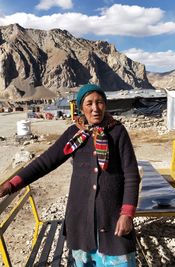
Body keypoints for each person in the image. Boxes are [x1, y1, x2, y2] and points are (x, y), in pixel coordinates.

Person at [0, 83, 140, 267]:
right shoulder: (74, 134)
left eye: (99, 102)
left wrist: (127, 214)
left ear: (105, 105)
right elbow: (44, 163)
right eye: (89, 103)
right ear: (81, 107)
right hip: (81, 218)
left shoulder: (118, 132)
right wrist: (11, 185)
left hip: (112, 217)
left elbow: (132, 176)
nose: (95, 108)